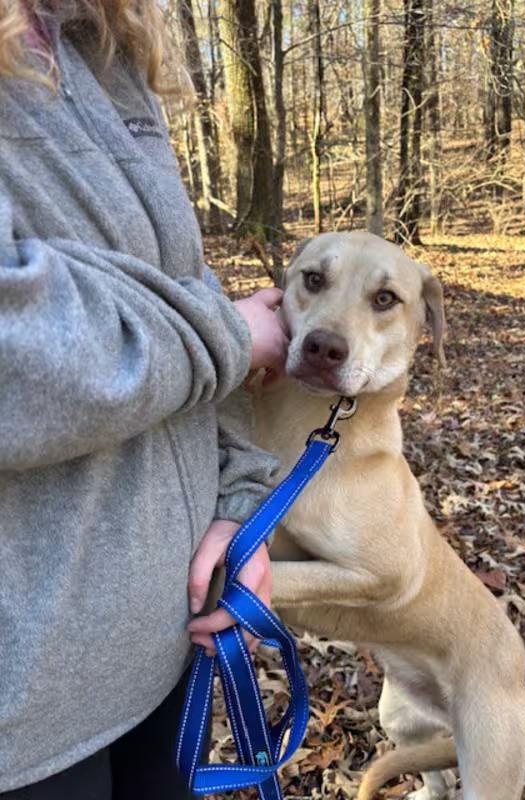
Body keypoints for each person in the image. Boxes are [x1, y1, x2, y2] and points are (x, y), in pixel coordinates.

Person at [0, 2, 287, 797]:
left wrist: (236, 501)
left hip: (169, 649)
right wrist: (226, 334)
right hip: (26, 725)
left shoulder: (103, 45)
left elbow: (183, 286)